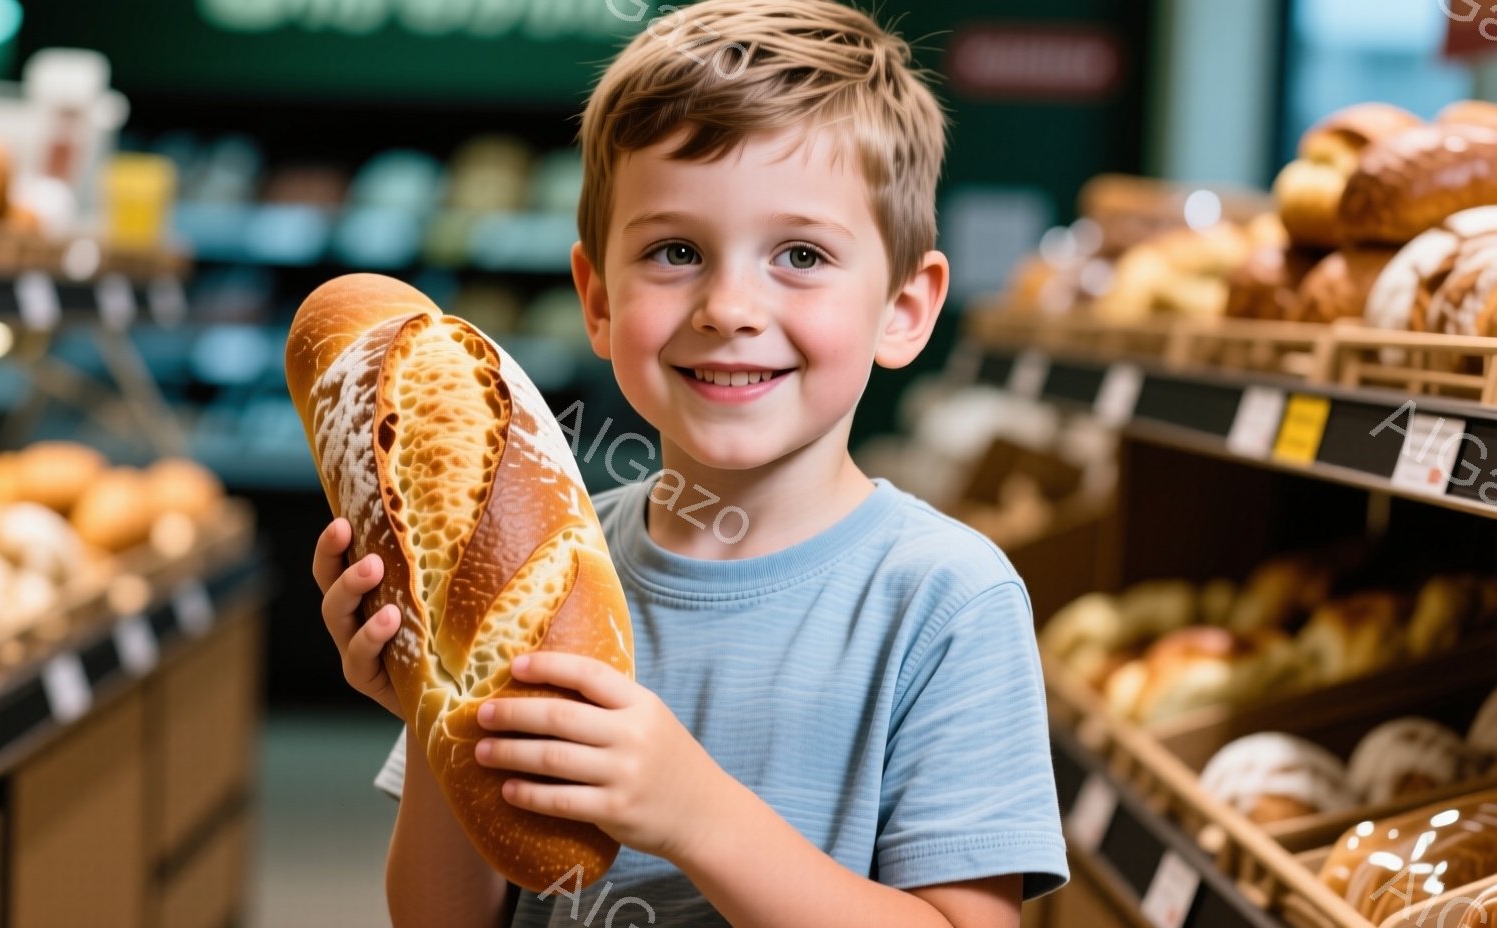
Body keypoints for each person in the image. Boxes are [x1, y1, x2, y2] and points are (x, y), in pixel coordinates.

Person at [310, 1, 1068, 924]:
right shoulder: (549, 560)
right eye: (676, 252)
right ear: (596, 297)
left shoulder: (946, 600)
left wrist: (695, 817)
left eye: (800, 254)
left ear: (905, 308)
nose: (729, 307)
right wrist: (434, 713)